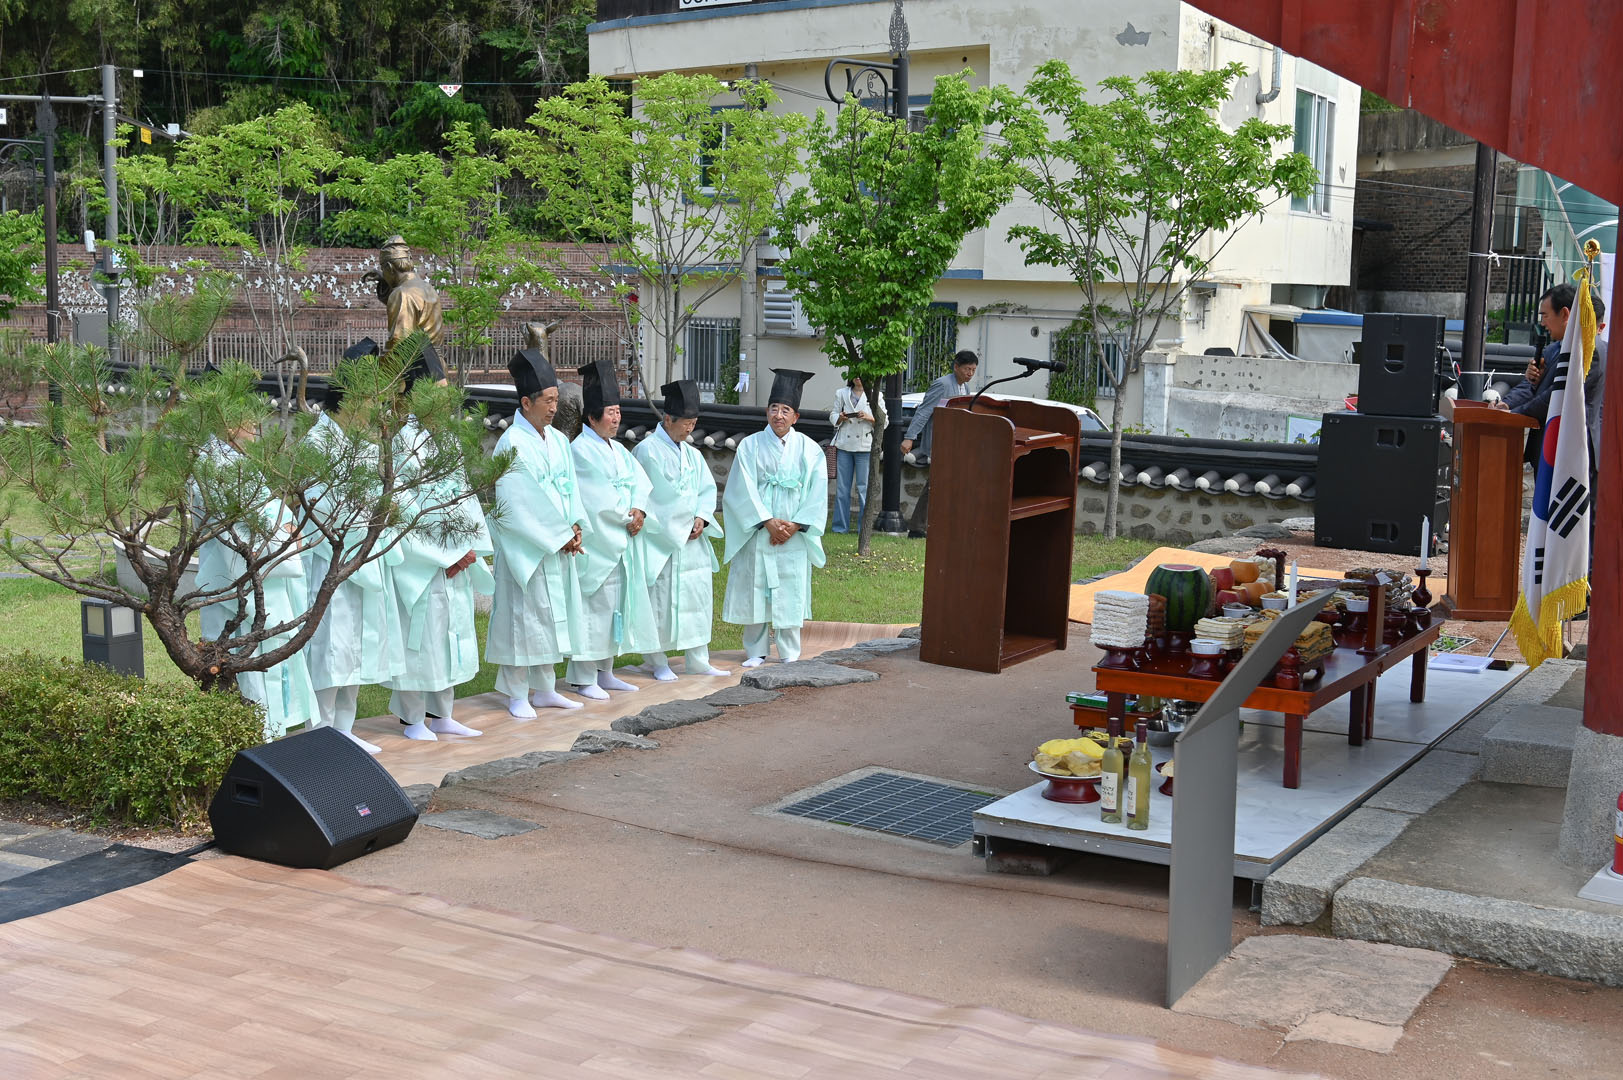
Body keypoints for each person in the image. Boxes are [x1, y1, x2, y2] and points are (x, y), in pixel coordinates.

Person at [385, 347, 494, 740]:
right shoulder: (403, 442)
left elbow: (464, 497)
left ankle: (443, 712)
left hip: (455, 555)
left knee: (451, 633)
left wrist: (469, 547)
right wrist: (446, 555)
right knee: (422, 637)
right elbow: (404, 510)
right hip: (427, 560)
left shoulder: (447, 440)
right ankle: (412, 717)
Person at [194, 420, 319, 741]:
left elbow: (272, 518)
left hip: (263, 583)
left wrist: (288, 531)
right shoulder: (215, 467)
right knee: (248, 675)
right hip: (236, 589)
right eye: (247, 415)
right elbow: (238, 540)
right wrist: (289, 541)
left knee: (266, 673)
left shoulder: (240, 462)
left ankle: (266, 742)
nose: (255, 423)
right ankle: (258, 746)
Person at [486, 348, 589, 718]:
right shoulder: (511, 442)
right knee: (522, 618)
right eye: (548, 401)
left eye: (556, 400)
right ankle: (516, 693)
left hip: (559, 542)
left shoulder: (558, 439)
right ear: (526, 402)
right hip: (527, 548)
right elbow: (517, 502)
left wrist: (575, 525)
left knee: (550, 616)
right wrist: (557, 535)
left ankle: (545, 688)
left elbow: (570, 488)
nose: (553, 408)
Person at [301, 397, 406, 754]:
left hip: (362, 553)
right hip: (330, 558)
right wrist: (367, 528)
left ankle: (345, 729)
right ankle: (319, 733)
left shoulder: (363, 443)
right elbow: (320, 507)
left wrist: (379, 523)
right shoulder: (317, 442)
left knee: (355, 650)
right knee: (329, 649)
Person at [566, 359, 660, 699]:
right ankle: (583, 676)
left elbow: (640, 484)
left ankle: (605, 671)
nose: (617, 418)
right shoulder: (579, 450)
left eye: (618, 411)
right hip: (598, 541)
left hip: (620, 539)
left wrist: (640, 510)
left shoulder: (619, 450)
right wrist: (626, 516)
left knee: (614, 606)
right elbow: (596, 498)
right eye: (610, 412)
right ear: (592, 418)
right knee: (592, 608)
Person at [721, 369, 827, 667]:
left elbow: (817, 491)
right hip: (760, 530)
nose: (778, 415)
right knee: (756, 587)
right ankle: (755, 650)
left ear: (796, 417)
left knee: (790, 589)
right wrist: (767, 522)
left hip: (794, 530)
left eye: (785, 410)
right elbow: (741, 488)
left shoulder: (810, 449)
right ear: (767, 411)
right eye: (774, 408)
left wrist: (795, 525)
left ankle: (790, 651)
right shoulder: (750, 445)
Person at [634, 379, 729, 681]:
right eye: (686, 423)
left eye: (694, 423)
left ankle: (698, 659)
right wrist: (684, 523)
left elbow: (706, 489)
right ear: (668, 419)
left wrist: (701, 517)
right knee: (659, 601)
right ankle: (657, 660)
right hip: (662, 540)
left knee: (697, 599)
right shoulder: (647, 451)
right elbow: (656, 497)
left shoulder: (693, 454)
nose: (690, 428)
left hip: (692, 540)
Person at [901, 350, 978, 538]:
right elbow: (924, 411)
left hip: (956, 444)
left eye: (973, 370)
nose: (970, 373)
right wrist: (910, 437)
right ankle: (918, 527)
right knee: (936, 485)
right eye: (967, 369)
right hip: (940, 443)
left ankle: (926, 526)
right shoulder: (942, 384)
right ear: (956, 367)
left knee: (941, 485)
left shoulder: (965, 388)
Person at [374, 236, 445, 352]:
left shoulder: (402, 293)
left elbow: (399, 343)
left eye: (383, 270)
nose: (384, 274)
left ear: (390, 268)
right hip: (436, 361)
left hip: (414, 362)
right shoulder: (427, 288)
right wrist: (383, 279)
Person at [828, 376, 874, 534]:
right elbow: (833, 415)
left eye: (861, 375)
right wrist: (839, 418)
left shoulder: (875, 394)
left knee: (863, 488)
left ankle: (863, 528)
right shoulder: (841, 393)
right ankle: (840, 527)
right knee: (842, 489)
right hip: (844, 445)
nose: (858, 378)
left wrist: (868, 417)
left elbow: (884, 421)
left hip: (864, 446)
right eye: (855, 374)